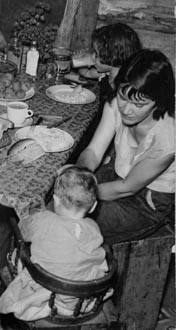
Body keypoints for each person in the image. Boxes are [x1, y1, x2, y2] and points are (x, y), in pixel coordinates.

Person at [76, 49, 175, 244]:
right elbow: (94, 152)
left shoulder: (168, 137)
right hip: (118, 174)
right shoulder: (115, 104)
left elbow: (128, 187)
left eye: (140, 105)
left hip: (147, 200)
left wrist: (80, 194)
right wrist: (78, 175)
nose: (127, 109)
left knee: (76, 221)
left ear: (158, 102)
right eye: (123, 97)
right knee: (57, 201)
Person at [0, 166, 109, 321]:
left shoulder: (46, 220)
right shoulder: (93, 227)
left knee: (21, 250)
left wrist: (32, 216)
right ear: (94, 206)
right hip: (82, 296)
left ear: (55, 200)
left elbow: (23, 230)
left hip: (50, 290)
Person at [78, 23, 142, 102]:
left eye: (96, 54)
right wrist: (81, 61)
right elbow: (86, 73)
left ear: (111, 57)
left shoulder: (123, 85)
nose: (93, 56)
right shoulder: (105, 73)